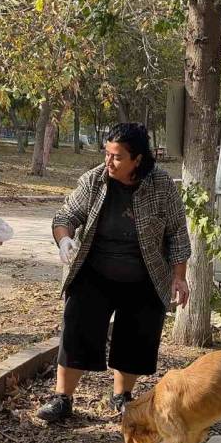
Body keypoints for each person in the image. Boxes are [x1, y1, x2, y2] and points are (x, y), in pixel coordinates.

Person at [36, 123, 192, 423]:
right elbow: (66, 215)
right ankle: (62, 399)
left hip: (145, 275)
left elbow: (177, 235)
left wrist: (179, 276)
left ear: (138, 160)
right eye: (107, 153)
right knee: (76, 330)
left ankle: (122, 397)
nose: (109, 161)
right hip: (94, 272)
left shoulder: (161, 186)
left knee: (136, 338)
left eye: (117, 156)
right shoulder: (94, 180)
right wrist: (65, 239)